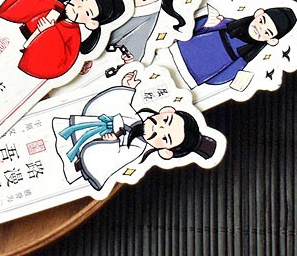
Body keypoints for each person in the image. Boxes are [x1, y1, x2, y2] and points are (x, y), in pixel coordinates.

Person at [53, 70, 217, 191]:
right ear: (167, 111)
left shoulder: (137, 149)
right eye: (166, 121)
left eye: (165, 138)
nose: (160, 128)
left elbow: (112, 160)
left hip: (79, 153)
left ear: (166, 152)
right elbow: (119, 107)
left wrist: (111, 144)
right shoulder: (137, 118)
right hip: (80, 131)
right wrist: (126, 89)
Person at [0, 0, 126, 80]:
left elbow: (58, 65)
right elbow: (24, 7)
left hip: (19, 65)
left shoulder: (74, 36)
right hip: (4, 39)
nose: (78, 7)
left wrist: (49, 32)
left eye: (87, 12)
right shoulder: (54, 5)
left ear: (91, 23)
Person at [172, 5, 296, 87]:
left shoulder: (244, 56)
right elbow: (197, 28)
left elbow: (225, 75)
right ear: (258, 14)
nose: (260, 28)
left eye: (267, 32)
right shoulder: (229, 25)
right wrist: (206, 21)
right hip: (177, 50)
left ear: (272, 41)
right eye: (261, 21)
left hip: (190, 77)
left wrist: (207, 78)